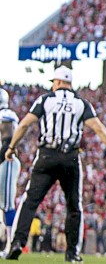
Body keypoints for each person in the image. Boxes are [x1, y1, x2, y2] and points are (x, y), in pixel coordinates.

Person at [4, 66, 106, 262]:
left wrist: (11, 147)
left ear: (59, 82)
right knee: (74, 206)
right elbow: (100, 129)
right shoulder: (81, 103)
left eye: (54, 82)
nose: (53, 86)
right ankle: (72, 253)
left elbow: (25, 124)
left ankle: (17, 243)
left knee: (30, 201)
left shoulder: (45, 100)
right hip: (70, 158)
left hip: (46, 156)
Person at [0, 89, 20, 252]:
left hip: (6, 161)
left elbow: (7, 143)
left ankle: (10, 245)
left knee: (7, 204)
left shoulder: (6, 116)